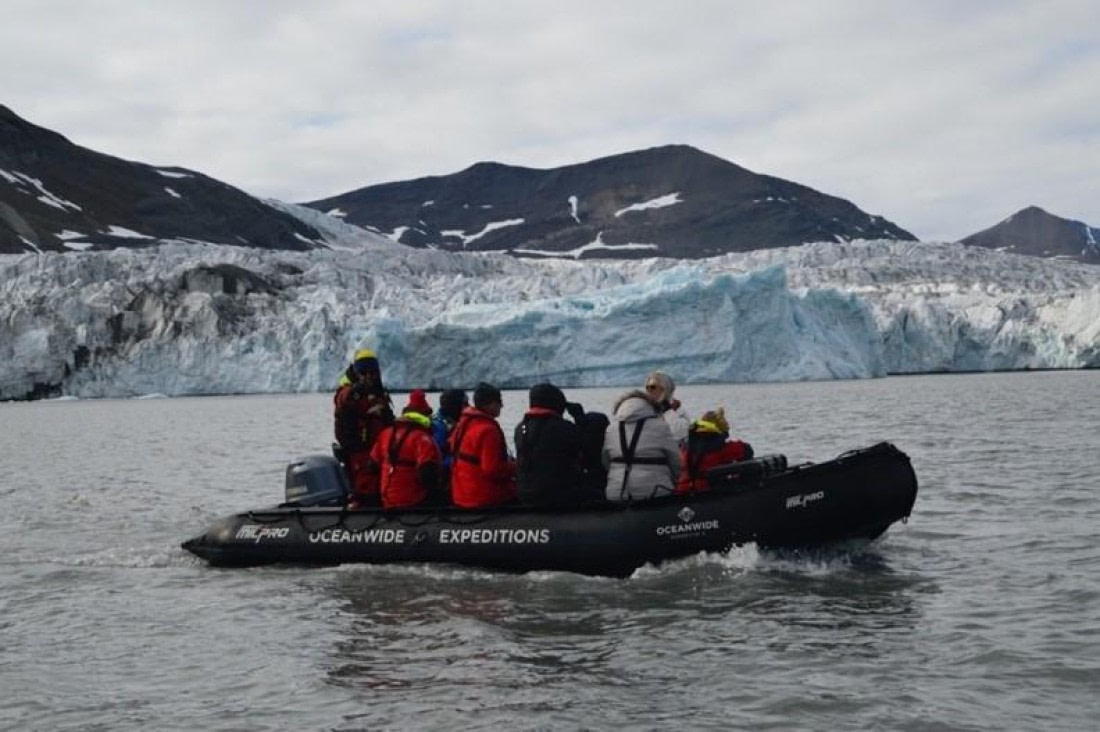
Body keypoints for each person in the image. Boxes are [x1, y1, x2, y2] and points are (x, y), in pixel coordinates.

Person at [333, 348, 394, 506]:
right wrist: (357, 391)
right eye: (364, 373)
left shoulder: (378, 392)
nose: (369, 377)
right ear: (357, 373)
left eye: (372, 373)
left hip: (378, 449)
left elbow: (388, 419)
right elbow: (344, 400)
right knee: (366, 487)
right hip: (358, 449)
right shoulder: (348, 392)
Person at [514, 382, 589, 507]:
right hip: (558, 494)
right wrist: (580, 419)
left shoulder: (520, 428)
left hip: (525, 493)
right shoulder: (564, 428)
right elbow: (588, 450)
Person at [602, 387, 681, 501]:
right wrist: (673, 481)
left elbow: (606, 460)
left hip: (616, 492)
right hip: (655, 491)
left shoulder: (611, 428)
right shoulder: (660, 426)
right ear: (650, 406)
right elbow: (675, 461)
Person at [369, 389, 443, 509]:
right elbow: (427, 475)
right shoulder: (422, 439)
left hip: (387, 499)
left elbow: (372, 466)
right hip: (412, 500)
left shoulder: (386, 433)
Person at [449, 382, 517, 509]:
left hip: (461, 494)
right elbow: (492, 469)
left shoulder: (462, 424)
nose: (501, 406)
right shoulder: (488, 430)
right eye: (498, 402)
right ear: (488, 404)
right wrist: (517, 466)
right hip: (482, 496)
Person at [675, 408, 754, 494]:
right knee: (752, 467)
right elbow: (747, 450)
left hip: (682, 491)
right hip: (707, 492)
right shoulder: (719, 447)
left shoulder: (687, 445)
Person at [431, 388, 469, 483]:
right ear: (455, 406)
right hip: (445, 479)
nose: (468, 407)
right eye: (465, 404)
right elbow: (436, 457)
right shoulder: (438, 426)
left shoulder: (451, 422)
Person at [644, 370, 691, 445]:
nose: (649, 390)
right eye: (647, 387)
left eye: (653, 387)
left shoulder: (677, 409)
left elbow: (680, 433)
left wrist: (667, 411)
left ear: (664, 388)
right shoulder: (643, 407)